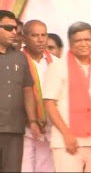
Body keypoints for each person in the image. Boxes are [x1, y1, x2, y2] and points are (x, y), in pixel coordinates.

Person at [42, 21, 91, 172]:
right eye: (78, 40)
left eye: (87, 40)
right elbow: (50, 104)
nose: (83, 44)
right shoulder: (58, 67)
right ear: (70, 43)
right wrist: (67, 134)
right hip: (69, 142)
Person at [0, 10, 40, 172]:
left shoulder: (20, 57)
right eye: (8, 28)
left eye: (15, 28)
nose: (14, 32)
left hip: (14, 128)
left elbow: (27, 89)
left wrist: (32, 120)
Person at [21, 20, 58, 172]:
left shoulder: (56, 63)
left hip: (49, 127)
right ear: (24, 38)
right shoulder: (17, 60)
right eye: (35, 35)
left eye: (43, 35)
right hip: (23, 128)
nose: (41, 39)